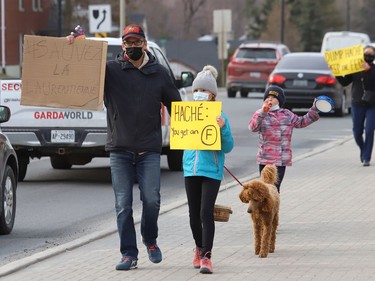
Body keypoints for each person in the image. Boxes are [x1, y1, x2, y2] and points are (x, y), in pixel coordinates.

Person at [67, 24, 182, 270]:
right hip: (120, 149)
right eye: (128, 42)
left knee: (152, 200)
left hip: (149, 150)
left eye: (136, 42)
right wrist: (75, 45)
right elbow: (80, 72)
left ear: (144, 44)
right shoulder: (110, 71)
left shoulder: (159, 73)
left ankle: (150, 240)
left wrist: (203, 129)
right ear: (123, 46)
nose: (132, 46)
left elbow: (179, 110)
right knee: (123, 205)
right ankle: (129, 254)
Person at [183, 65, 234, 274]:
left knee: (206, 212)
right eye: (195, 91)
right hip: (190, 169)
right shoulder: (187, 113)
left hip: (211, 171)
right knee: (193, 213)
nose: (198, 94)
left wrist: (222, 129)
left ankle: (207, 255)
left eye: (202, 91)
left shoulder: (220, 116)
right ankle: (198, 247)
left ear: (212, 94)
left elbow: (228, 146)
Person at [249, 85, 320, 195]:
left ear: (279, 101)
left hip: (280, 160)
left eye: (273, 97)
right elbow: (253, 127)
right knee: (264, 188)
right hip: (265, 159)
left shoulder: (287, 114)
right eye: (267, 97)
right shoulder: (260, 113)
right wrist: (263, 113)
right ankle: (263, 210)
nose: (270, 99)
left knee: (275, 189)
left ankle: (273, 210)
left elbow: (301, 122)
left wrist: (314, 110)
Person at [336, 45, 375, 167]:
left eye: (371, 55)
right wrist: (336, 72)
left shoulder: (373, 69)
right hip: (357, 103)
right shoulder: (355, 68)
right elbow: (345, 82)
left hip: (372, 104)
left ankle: (366, 157)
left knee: (369, 130)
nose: (368, 56)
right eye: (366, 54)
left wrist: (369, 70)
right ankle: (363, 150)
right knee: (357, 132)